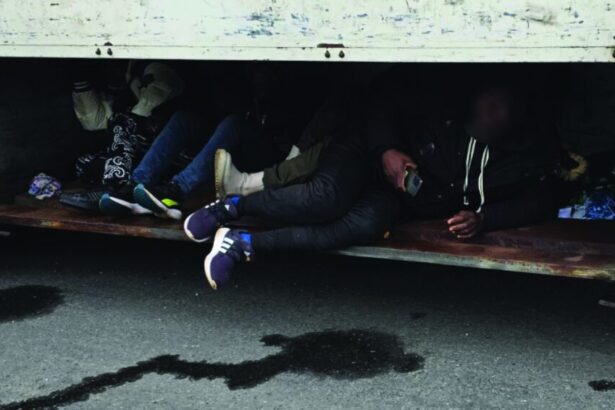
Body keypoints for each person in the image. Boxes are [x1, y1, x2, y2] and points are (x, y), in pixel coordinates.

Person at [181, 69, 562, 290]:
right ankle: (230, 208)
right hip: (366, 153)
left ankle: (240, 243)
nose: (491, 112)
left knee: (360, 225)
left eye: (502, 110)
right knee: (325, 199)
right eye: (488, 103)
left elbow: (542, 199)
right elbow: (381, 100)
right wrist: (387, 148)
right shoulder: (443, 101)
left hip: (399, 196)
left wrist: (483, 218)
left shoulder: (522, 156)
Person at [60, 61, 185, 212]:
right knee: (84, 164)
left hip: (169, 156)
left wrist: (126, 114)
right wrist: (81, 82)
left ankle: (115, 189)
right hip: (139, 160)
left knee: (122, 121)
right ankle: (131, 190)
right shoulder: (119, 80)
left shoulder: (153, 65)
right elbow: (94, 122)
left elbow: (146, 108)